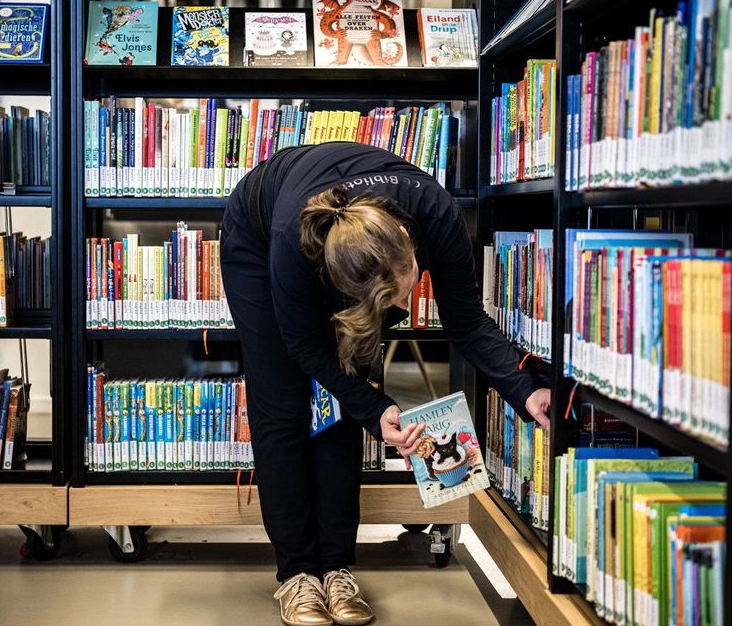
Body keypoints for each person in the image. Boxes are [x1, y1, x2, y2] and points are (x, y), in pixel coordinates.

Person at [220, 142, 551, 626]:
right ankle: (297, 576)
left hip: (338, 237)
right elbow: (304, 346)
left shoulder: (435, 212)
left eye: (406, 286)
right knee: (283, 406)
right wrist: (375, 408)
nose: (402, 305)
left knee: (342, 396)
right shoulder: (295, 240)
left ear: (407, 241)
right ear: (348, 287)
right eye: (388, 301)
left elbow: (466, 321)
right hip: (256, 240)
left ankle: (335, 567)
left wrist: (526, 390)